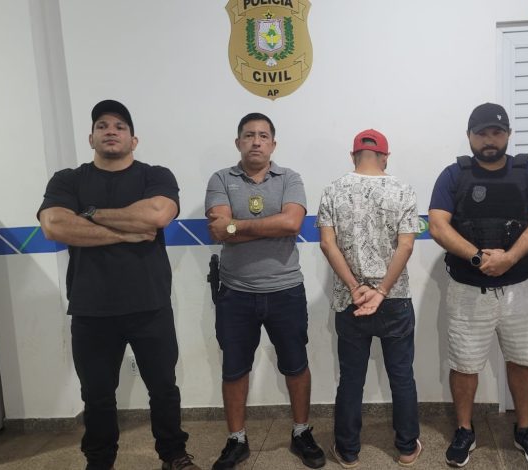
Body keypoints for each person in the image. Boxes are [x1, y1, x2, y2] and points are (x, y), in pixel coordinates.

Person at [37, 100, 199, 470]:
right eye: (102, 125)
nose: (111, 131)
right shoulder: (68, 180)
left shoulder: (155, 176)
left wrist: (89, 214)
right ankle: (99, 461)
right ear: (90, 137)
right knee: (96, 395)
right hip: (91, 309)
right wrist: (127, 232)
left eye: (120, 126)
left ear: (133, 140)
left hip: (150, 305)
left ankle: (173, 454)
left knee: (163, 388)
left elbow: (157, 215)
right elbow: (54, 225)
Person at [428, 102, 528, 468]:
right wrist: (479, 258)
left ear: (508, 134)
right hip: (468, 288)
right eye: (481, 133)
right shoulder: (453, 175)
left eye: (496, 132)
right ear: (469, 136)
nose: (489, 140)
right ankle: (464, 430)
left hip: (520, 288)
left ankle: (524, 429)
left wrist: (509, 259)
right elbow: (438, 226)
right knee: (464, 363)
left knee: (523, 360)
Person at [205, 113, 326, 470]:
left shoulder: (290, 178)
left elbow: (292, 223)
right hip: (235, 293)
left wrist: (236, 226)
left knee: (296, 365)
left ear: (273, 144)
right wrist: (265, 226)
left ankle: (301, 432)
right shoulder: (221, 179)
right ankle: (236, 440)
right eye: (248, 135)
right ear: (238, 142)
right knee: (234, 369)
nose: (256, 141)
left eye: (263, 136)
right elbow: (218, 231)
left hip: (285, 290)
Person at [317, 129, 422, 468]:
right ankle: (407, 449)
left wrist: (354, 287)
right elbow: (406, 246)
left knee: (351, 379)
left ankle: (348, 451)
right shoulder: (403, 190)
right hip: (394, 298)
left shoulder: (333, 190)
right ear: (385, 157)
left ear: (353, 156)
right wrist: (382, 290)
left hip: (352, 300)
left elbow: (327, 244)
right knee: (401, 376)